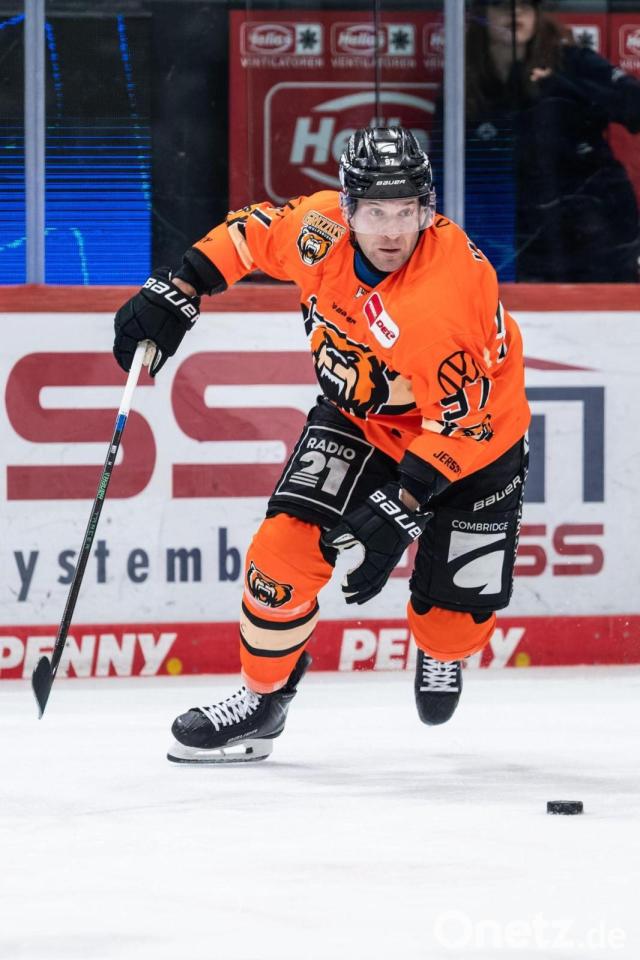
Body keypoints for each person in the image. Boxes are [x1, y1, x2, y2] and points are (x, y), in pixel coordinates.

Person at [112, 127, 531, 764]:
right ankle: (262, 702)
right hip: (362, 421)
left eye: (406, 212)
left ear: (428, 210)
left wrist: (402, 504)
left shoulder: (442, 299)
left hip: (476, 446)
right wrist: (180, 286)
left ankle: (442, 649)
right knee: (279, 558)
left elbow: (466, 423)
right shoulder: (318, 230)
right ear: (347, 208)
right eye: (375, 213)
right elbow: (251, 234)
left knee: (450, 628)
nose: (391, 232)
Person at [465, 0, 640, 282]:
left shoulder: (571, 61)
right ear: (480, 14)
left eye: (526, 4)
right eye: (501, 4)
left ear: (538, 13)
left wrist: (564, 87)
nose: (515, 12)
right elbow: (453, 169)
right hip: (518, 234)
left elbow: (634, 106)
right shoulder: (465, 78)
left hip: (597, 227)